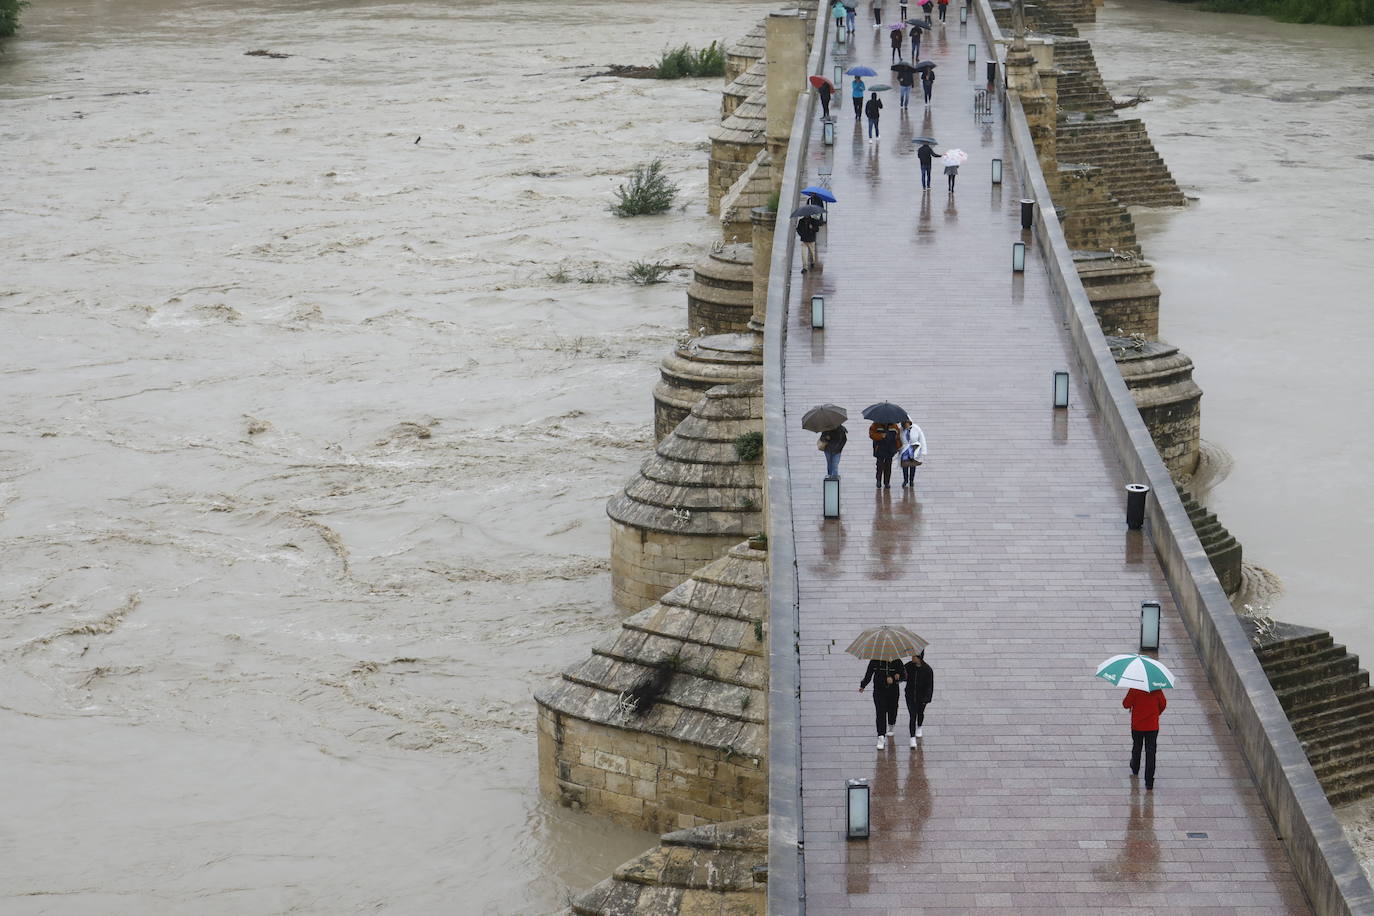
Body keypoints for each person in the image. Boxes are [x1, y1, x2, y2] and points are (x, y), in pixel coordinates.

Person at [1123, 686, 1166, 790]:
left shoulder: (1135, 689)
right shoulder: (1156, 689)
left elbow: (1126, 704)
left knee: (1137, 747)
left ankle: (1135, 767)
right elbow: (1163, 704)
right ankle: (1149, 781)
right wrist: (1156, 713)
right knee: (1151, 753)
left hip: (1137, 725)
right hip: (1152, 726)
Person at [859, 657, 904, 749]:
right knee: (880, 712)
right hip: (879, 691)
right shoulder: (874, 661)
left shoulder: (897, 661)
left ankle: (891, 724)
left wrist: (897, 677)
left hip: (893, 692)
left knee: (893, 710)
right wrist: (863, 685)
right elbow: (869, 674)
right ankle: (881, 736)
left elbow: (904, 675)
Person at [903, 651, 934, 747]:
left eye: (914, 656)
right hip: (910, 696)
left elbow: (929, 686)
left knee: (920, 713)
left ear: (919, 658)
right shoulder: (908, 666)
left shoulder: (927, 670)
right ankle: (912, 738)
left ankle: (919, 726)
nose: (912, 658)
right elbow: (902, 675)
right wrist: (899, 677)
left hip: (922, 698)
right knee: (912, 716)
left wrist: (926, 699)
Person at [870, 421, 899, 488]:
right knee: (879, 466)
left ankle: (887, 482)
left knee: (888, 466)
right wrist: (881, 436)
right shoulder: (876, 425)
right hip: (880, 449)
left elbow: (897, 437)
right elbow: (871, 434)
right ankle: (878, 481)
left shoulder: (894, 426)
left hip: (890, 449)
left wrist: (897, 447)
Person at [898, 419, 926, 488]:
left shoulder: (916, 428)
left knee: (913, 465)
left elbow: (922, 439)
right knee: (905, 466)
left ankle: (911, 480)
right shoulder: (901, 430)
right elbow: (898, 439)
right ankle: (905, 480)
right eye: (904, 424)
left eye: (906, 423)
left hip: (914, 449)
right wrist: (899, 448)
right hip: (905, 450)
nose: (905, 425)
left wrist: (923, 450)